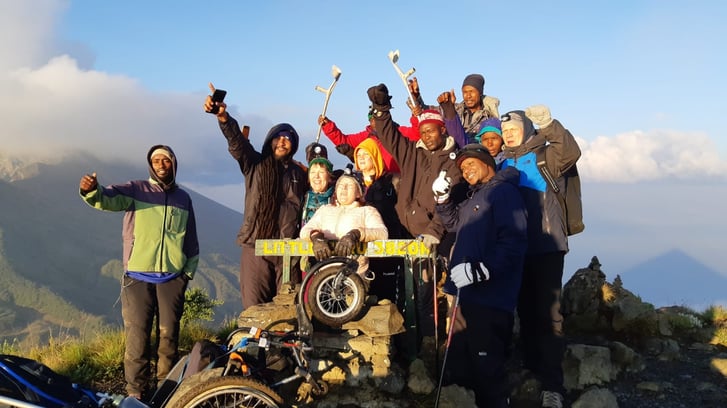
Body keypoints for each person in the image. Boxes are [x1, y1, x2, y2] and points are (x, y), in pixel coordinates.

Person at [78, 145, 199, 400]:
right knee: (137, 337)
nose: (161, 164)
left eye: (165, 160)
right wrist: (90, 191)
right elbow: (107, 198)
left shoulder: (183, 199)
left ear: (173, 164)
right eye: (156, 160)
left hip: (171, 278)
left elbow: (191, 239)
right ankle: (137, 395)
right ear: (150, 165)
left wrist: (186, 273)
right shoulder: (136, 189)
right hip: (137, 277)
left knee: (168, 338)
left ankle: (165, 393)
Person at [367, 83, 466, 352]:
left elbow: (451, 200)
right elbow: (389, 136)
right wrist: (381, 109)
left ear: (442, 129)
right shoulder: (413, 152)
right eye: (423, 131)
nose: (426, 135)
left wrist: (433, 233)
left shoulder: (453, 162)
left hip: (429, 240)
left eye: (431, 130)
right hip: (402, 232)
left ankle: (426, 347)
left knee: (425, 295)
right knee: (398, 289)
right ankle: (401, 345)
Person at [499, 106, 581, 408]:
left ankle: (553, 388)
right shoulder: (502, 162)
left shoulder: (545, 154)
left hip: (546, 244)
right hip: (516, 248)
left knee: (549, 315)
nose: (508, 135)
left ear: (527, 129)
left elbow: (571, 151)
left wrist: (550, 124)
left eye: (513, 130)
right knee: (524, 310)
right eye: (505, 131)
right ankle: (533, 369)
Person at [433, 143, 528, 407]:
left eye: (471, 164)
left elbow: (514, 242)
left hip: (492, 299)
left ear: (488, 162)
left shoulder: (504, 193)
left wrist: (481, 269)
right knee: (461, 365)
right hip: (467, 296)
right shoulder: (476, 196)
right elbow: (454, 222)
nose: (466, 171)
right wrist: (442, 199)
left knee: (487, 369)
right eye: (462, 168)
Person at [204, 84, 307, 309]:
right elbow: (238, 145)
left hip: (288, 250)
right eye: (278, 137)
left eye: (288, 138)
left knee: (287, 308)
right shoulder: (256, 163)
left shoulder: (300, 173)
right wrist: (223, 118)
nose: (282, 141)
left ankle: (283, 345)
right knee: (254, 307)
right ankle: (254, 344)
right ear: (270, 141)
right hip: (256, 244)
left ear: (293, 145)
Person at [299, 168, 388, 281]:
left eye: (349, 186)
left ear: (358, 193)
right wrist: (316, 237)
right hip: (324, 277)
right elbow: (305, 230)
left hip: (354, 277)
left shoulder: (367, 211)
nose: (344, 188)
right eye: (341, 185)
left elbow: (382, 233)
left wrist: (356, 234)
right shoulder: (325, 209)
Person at [353, 138, 406, 303]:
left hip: (387, 243)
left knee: (386, 293)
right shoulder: (354, 183)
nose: (361, 158)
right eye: (358, 154)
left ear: (375, 156)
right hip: (361, 245)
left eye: (366, 154)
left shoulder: (391, 181)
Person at [318, 103, 421, 173]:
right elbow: (343, 141)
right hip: (374, 182)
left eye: (379, 118)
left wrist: (416, 116)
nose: (375, 122)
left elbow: (417, 133)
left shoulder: (400, 132)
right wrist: (328, 126)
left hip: (399, 180)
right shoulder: (365, 137)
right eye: (372, 119)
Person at [409, 74, 500, 143]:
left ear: (480, 93)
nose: (468, 96)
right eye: (465, 92)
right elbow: (428, 112)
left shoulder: (489, 118)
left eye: (472, 92)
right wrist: (416, 96)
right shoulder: (454, 108)